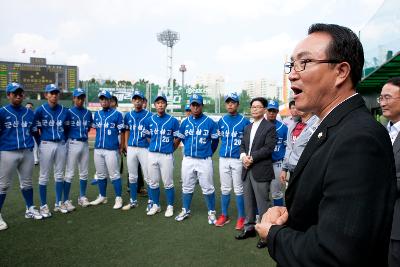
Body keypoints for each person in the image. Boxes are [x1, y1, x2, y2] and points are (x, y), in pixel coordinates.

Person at [256, 23, 396, 266]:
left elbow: (335, 254)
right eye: (292, 64)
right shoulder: (335, 125)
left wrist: (274, 234)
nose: (292, 74)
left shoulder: (358, 139)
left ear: (341, 71)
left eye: (305, 62)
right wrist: (290, 217)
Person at [235, 97, 276, 249]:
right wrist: (243, 157)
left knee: (263, 203)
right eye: (252, 107)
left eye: (258, 107)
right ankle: (249, 228)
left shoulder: (269, 127)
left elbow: (269, 148)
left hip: (260, 169)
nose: (254, 109)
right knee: (249, 202)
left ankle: (265, 235)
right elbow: (242, 145)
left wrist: (252, 158)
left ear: (264, 109)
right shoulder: (248, 127)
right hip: (247, 169)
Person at [0, 83, 43, 230]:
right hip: (8, 152)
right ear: (8, 95)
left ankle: (30, 208)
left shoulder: (30, 113)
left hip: (27, 152)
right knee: (3, 185)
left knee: (27, 183)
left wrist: (40, 147)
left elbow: (35, 132)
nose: (18, 95)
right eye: (14, 93)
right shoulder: (2, 112)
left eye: (20, 93)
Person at [175, 94, 219, 224]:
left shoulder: (210, 122)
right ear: (190, 106)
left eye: (197, 105)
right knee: (187, 186)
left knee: (208, 187)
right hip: (188, 159)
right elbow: (182, 138)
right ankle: (185, 209)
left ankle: (211, 212)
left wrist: (209, 152)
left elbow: (215, 140)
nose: (195, 107)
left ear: (202, 106)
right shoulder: (185, 123)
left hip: (204, 159)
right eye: (193, 105)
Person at [34, 84, 70, 217]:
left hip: (60, 144)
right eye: (51, 93)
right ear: (46, 95)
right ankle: (43, 206)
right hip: (46, 143)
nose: (54, 95)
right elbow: (35, 130)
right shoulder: (39, 110)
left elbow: (67, 129)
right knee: (44, 176)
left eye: (56, 93)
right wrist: (41, 143)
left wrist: (63, 140)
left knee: (59, 175)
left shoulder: (64, 111)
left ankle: (58, 203)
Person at [215, 92, 250, 230]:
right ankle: (224, 215)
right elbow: (217, 139)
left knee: (239, 189)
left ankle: (242, 217)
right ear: (225, 104)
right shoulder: (221, 121)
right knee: (224, 188)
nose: (230, 104)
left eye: (233, 102)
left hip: (237, 159)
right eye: (228, 102)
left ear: (237, 104)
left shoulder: (245, 121)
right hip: (223, 158)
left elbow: (248, 142)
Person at [142, 93, 180, 217]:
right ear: (155, 105)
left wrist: (170, 149)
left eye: (162, 102)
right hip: (152, 154)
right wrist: (153, 146)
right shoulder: (149, 120)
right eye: (158, 102)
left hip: (166, 155)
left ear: (166, 105)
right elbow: (148, 137)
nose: (160, 104)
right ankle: (156, 205)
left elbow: (177, 138)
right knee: (153, 182)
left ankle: (170, 206)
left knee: (168, 182)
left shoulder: (173, 121)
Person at [90, 90, 125, 209]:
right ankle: (102, 196)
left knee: (114, 175)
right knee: (100, 174)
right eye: (101, 99)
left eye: (106, 99)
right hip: (98, 149)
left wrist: (121, 147)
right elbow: (94, 129)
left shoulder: (117, 115)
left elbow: (122, 132)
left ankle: (118, 198)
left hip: (111, 149)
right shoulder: (97, 114)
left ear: (110, 101)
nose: (103, 101)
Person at [379, 77, 400, 267]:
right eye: (380, 98)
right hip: (380, 221)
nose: (382, 103)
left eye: (387, 97)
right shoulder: (381, 132)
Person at [122, 90, 152, 211]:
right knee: (132, 176)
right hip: (132, 148)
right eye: (135, 99)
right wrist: (126, 145)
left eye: (140, 99)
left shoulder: (149, 115)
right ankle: (133, 201)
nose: (137, 101)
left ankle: (151, 201)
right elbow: (127, 130)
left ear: (143, 101)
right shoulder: (128, 115)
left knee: (148, 176)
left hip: (144, 148)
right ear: (132, 101)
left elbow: (152, 133)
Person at [64, 88, 93, 209]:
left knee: (84, 173)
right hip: (72, 143)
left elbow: (88, 128)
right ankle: (65, 200)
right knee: (69, 173)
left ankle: (82, 197)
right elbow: (65, 129)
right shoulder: (69, 112)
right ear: (74, 98)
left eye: (82, 97)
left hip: (84, 143)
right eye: (78, 97)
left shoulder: (88, 113)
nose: (80, 100)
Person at [279, 109, 318, 184]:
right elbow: (288, 148)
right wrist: (284, 169)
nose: (299, 108)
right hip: (292, 170)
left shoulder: (317, 124)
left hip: (307, 171)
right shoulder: (293, 126)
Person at [265, 100, 287, 206]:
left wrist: (285, 168)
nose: (271, 113)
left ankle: (278, 215)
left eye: (274, 111)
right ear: (266, 111)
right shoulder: (260, 125)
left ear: (277, 112)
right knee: (262, 192)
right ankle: (260, 215)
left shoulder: (283, 128)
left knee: (276, 193)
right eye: (270, 110)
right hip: (263, 164)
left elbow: (287, 148)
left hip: (277, 164)